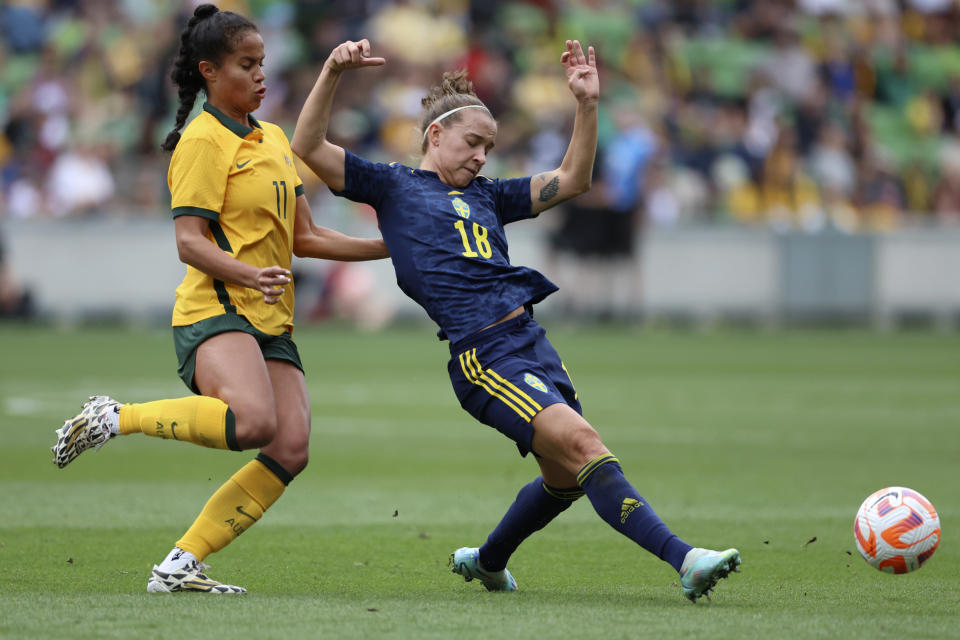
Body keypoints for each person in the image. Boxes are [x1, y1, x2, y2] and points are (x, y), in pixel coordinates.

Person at [291, 38, 740, 602]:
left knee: (563, 478)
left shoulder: (490, 196)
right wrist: (332, 69)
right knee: (584, 446)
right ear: (435, 135)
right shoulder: (392, 186)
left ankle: (488, 561)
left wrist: (587, 104)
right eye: (472, 142)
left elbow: (573, 179)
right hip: (485, 355)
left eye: (490, 146)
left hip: (530, 342)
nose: (482, 156)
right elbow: (306, 144)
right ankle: (686, 559)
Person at [50, 5, 388, 595]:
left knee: (291, 447)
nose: (261, 75)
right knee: (254, 421)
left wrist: (391, 248)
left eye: (263, 63)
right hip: (216, 308)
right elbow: (189, 242)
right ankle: (113, 417)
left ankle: (179, 565)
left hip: (268, 315)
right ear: (209, 71)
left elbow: (305, 237)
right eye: (247, 65)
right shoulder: (201, 141)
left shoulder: (275, 138)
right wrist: (248, 274)